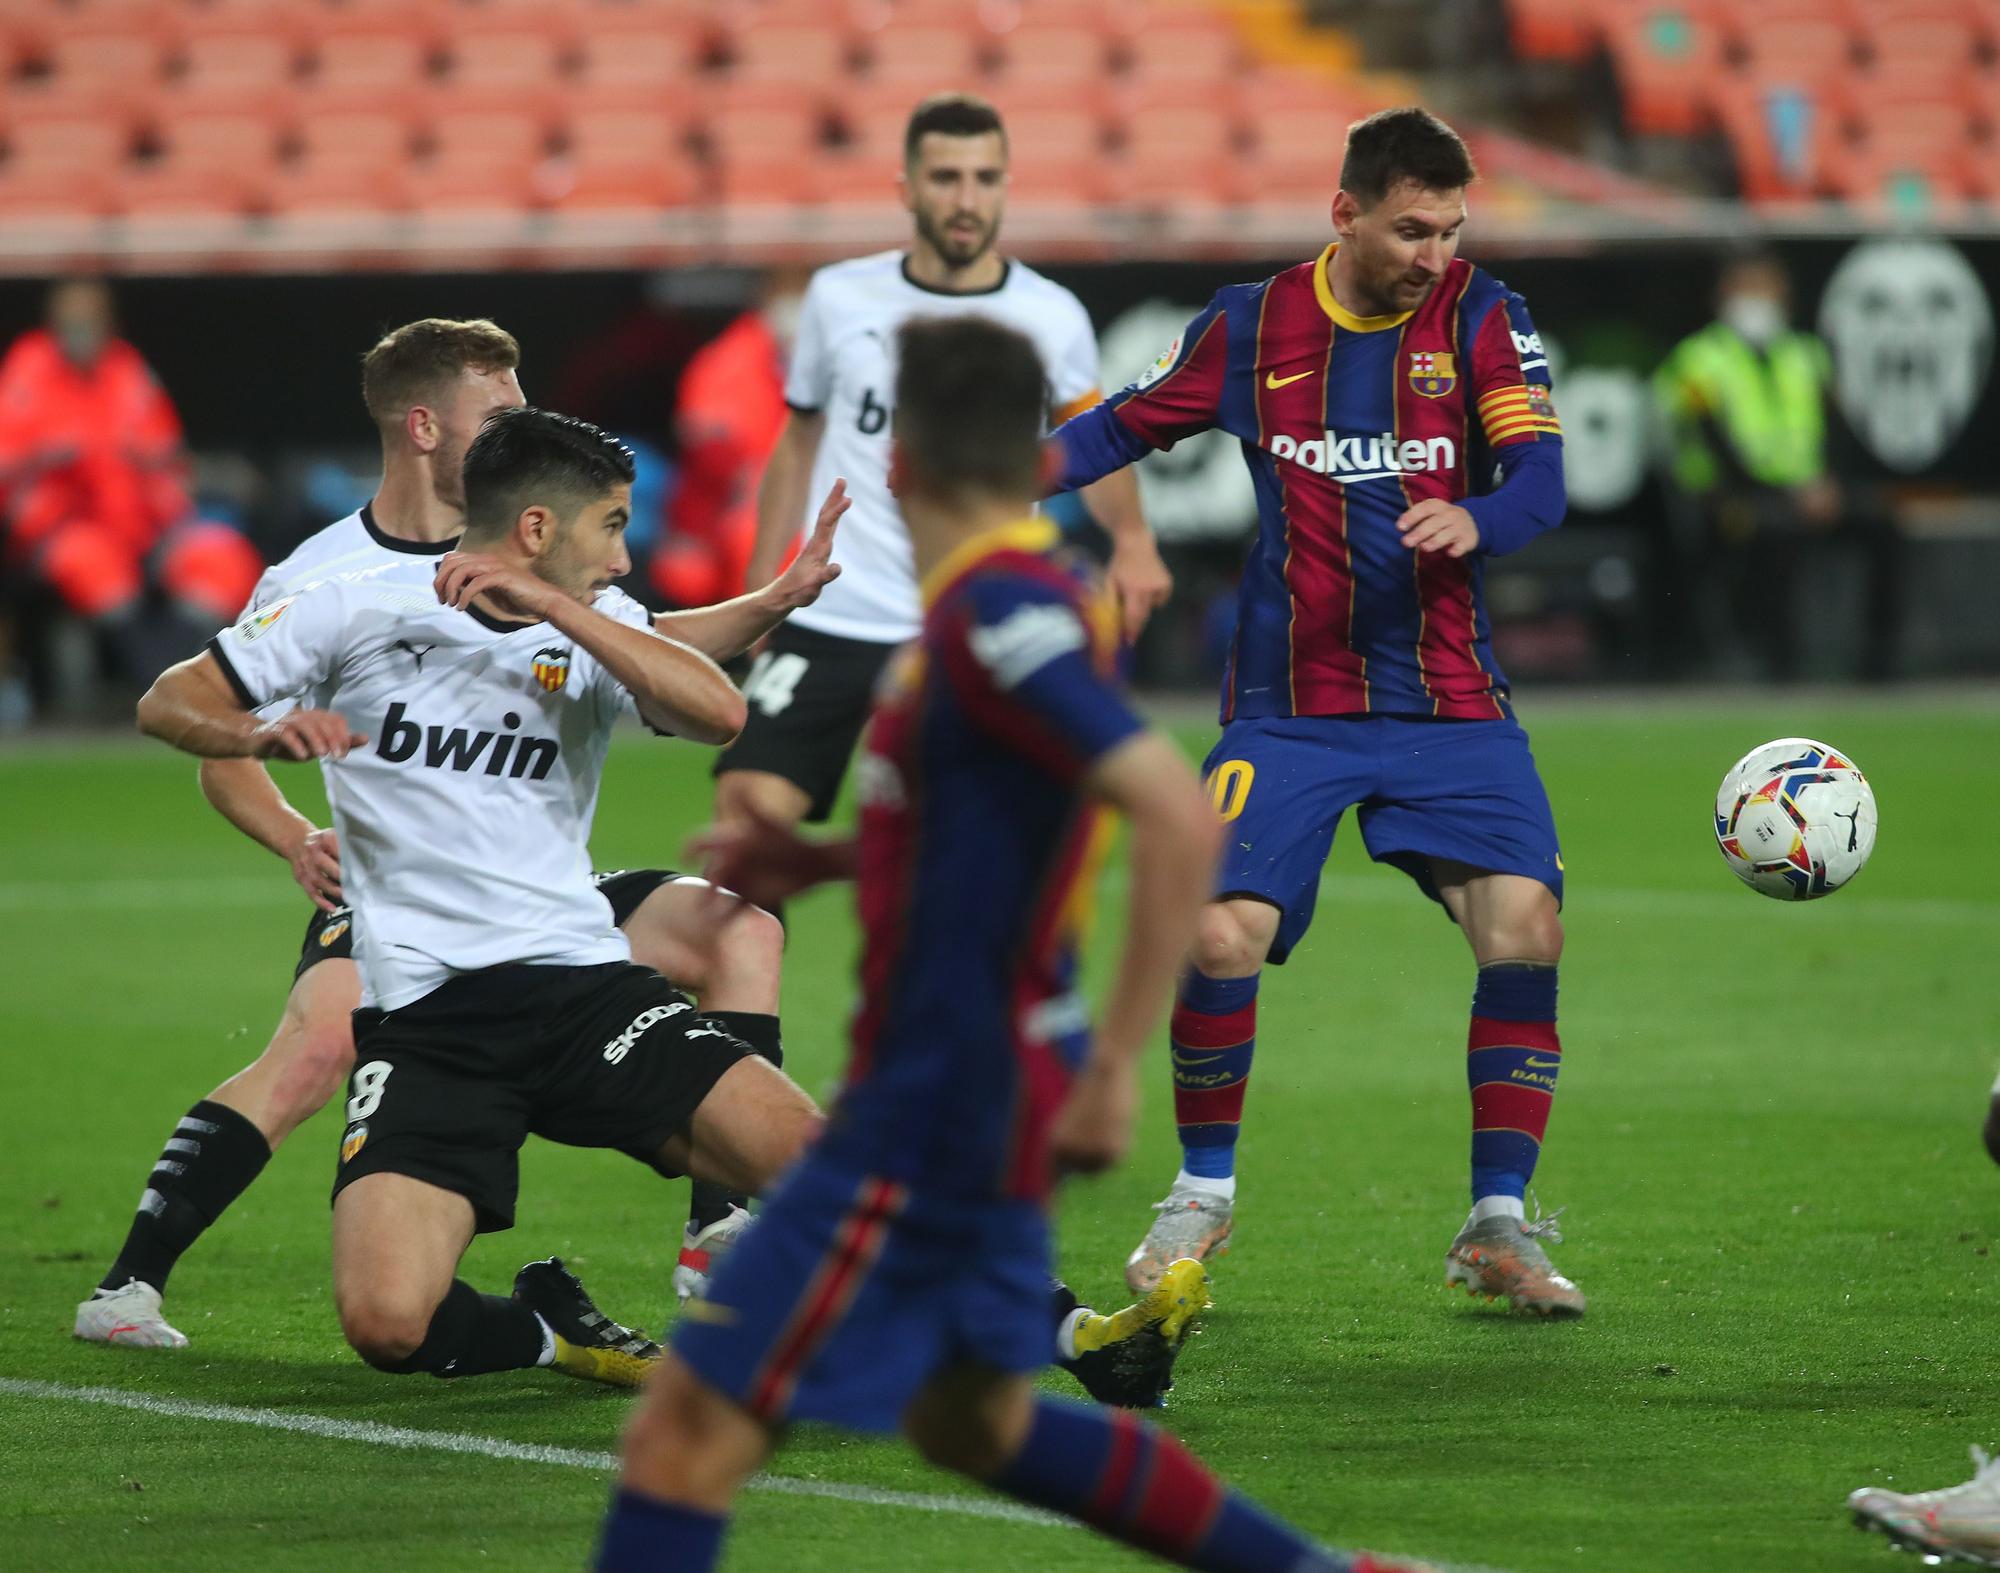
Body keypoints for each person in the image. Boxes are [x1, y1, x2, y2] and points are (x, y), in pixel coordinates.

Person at [592, 315, 1420, 1573]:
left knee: (682, 1434)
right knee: (970, 1415)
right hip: (972, 1083)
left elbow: (1163, 809)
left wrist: (1105, 1068)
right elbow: (998, 824)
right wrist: (816, 864)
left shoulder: (996, 613)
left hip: (943, 1097)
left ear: (895, 470)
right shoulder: (1005, 604)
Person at [75, 320, 839, 1353]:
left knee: (737, 927)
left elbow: (650, 651)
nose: (522, 423)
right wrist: (294, 824)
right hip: (409, 918)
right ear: (426, 427)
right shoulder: (328, 584)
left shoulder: (562, 554)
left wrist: (762, 603)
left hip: (550, 911)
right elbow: (204, 720)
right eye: (500, 410)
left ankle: (723, 1227)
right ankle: (133, 1278)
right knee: (318, 1049)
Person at [1051, 106, 1585, 1316]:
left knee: (1525, 926)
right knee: (1216, 932)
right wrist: (975, 479)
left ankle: (1495, 1221)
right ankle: (1200, 1192)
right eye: (1409, 230)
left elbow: (1541, 475)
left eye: (1449, 231)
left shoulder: (1482, 316)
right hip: (1290, 709)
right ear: (1342, 212)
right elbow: (1119, 430)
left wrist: (1480, 519)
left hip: (1449, 704)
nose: (1432, 256)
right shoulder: (1248, 326)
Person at [715, 91, 1169, 847]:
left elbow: (1094, 441)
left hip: (974, 610)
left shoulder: (1050, 313)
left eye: (985, 178)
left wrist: (1133, 538)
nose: (967, 199)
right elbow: (796, 444)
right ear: (907, 189)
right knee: (744, 826)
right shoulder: (839, 296)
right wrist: (764, 592)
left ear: (1005, 187)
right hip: (837, 610)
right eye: (946, 177)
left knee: (975, 839)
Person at [1653, 247, 1903, 682]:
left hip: (1812, 489)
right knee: (1775, 530)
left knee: (1884, 524)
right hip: (1730, 496)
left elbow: (1836, 430)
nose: (1757, 299)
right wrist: (1788, 494)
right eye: (1746, 288)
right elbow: (1713, 444)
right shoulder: (1697, 359)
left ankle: (1880, 660)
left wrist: (1829, 485)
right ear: (1722, 296)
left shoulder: (1806, 353)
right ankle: (1781, 661)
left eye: (1766, 287)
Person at [0, 276, 262, 690]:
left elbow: (168, 455)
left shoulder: (126, 367)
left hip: (148, 529)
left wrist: (159, 477)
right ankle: (157, 679)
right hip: (66, 529)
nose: (81, 329)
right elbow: (7, 460)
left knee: (221, 553)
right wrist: (52, 454)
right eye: (72, 319)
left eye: (90, 319)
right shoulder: (29, 366)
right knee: (91, 562)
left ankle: (187, 666)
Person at [650, 270, 807, 611]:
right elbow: (715, 456)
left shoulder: (817, 356)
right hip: (716, 517)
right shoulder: (729, 362)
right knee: (753, 525)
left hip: (786, 506)